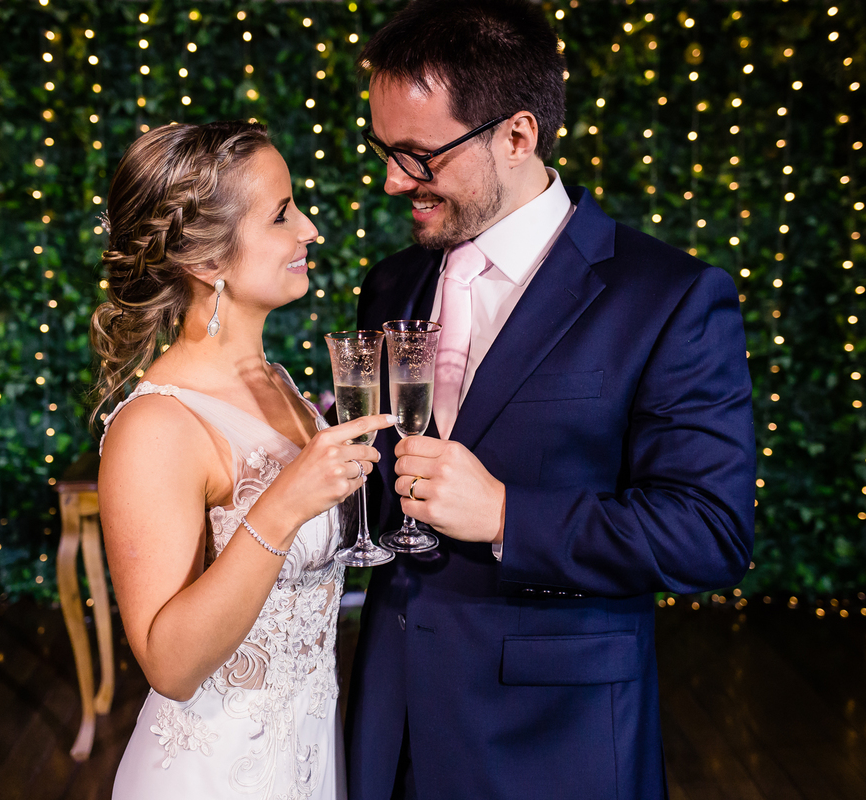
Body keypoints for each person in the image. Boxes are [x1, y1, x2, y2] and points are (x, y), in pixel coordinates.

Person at [345, 2, 757, 799]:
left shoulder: (669, 296)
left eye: (416, 156)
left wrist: (507, 515)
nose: (393, 180)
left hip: (551, 740)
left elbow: (710, 532)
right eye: (383, 150)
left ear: (518, 136)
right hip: (389, 719)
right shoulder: (391, 284)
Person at [92, 120, 392, 800]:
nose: (309, 229)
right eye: (282, 214)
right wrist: (284, 505)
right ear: (206, 261)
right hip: (214, 776)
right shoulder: (157, 425)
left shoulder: (282, 382)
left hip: (311, 757)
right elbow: (169, 664)